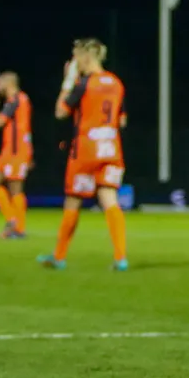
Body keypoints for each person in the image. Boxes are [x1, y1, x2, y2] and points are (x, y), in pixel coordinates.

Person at [37, 38, 129, 271]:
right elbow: (123, 120)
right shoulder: (117, 83)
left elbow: (60, 112)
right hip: (111, 148)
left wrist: (68, 80)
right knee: (109, 198)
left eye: (76, 57)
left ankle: (59, 257)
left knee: (73, 200)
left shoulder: (84, 84)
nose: (74, 62)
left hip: (86, 150)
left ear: (86, 57)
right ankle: (120, 258)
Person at [0, 72, 32, 238]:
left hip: (15, 151)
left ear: (8, 84)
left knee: (15, 188)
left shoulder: (16, 100)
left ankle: (18, 227)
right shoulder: (21, 100)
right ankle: (13, 221)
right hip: (10, 150)